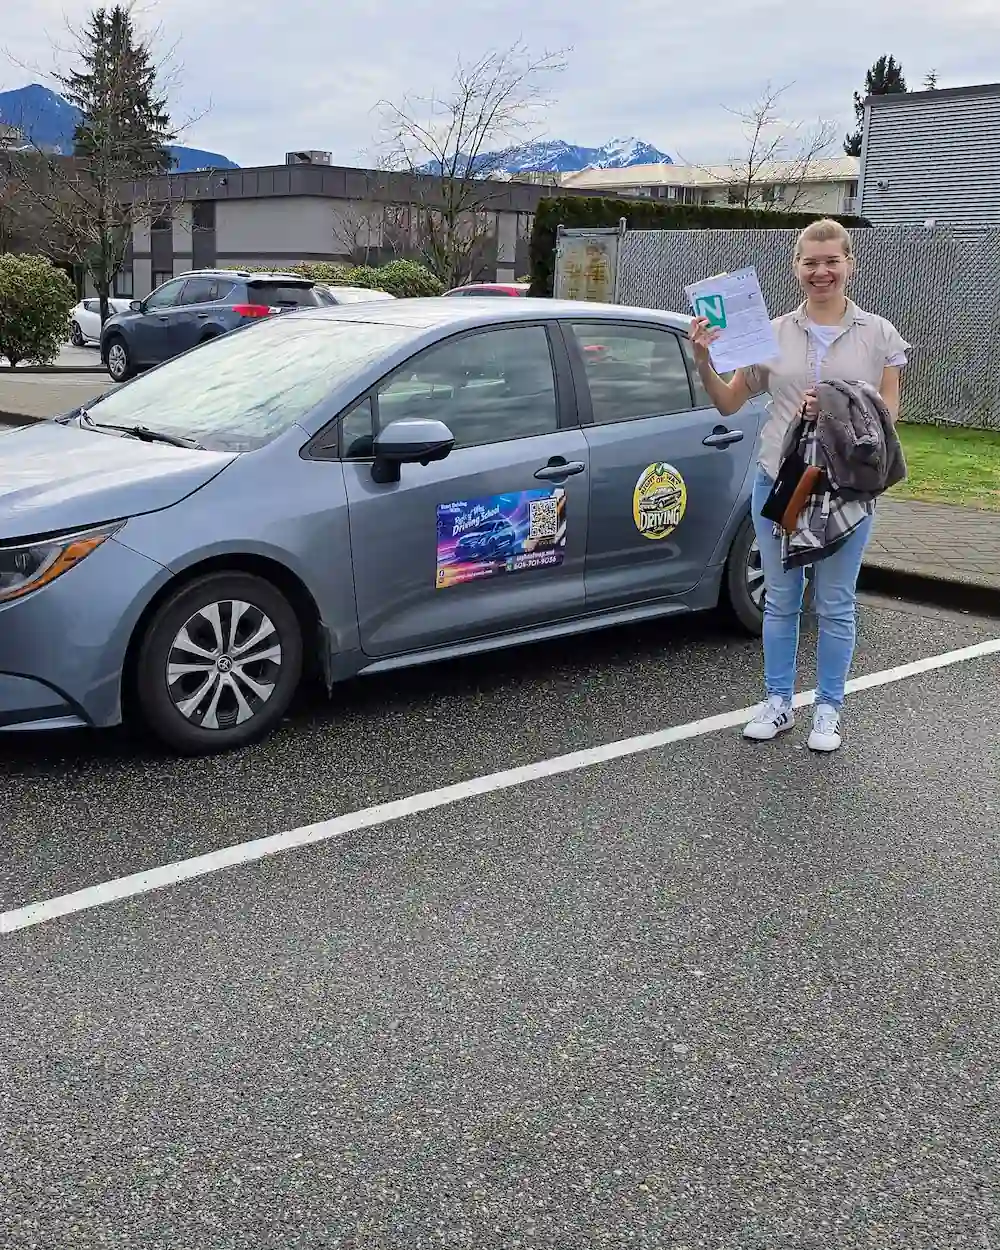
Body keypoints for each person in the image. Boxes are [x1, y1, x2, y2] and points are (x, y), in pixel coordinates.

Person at [688, 219, 909, 752]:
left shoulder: (878, 334)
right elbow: (729, 401)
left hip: (846, 489)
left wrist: (836, 410)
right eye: (810, 262)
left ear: (849, 263)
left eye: (831, 260)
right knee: (783, 598)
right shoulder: (771, 334)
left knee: (835, 601)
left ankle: (828, 708)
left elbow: (889, 415)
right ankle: (778, 701)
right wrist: (702, 355)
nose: (821, 271)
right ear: (796, 268)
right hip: (781, 483)